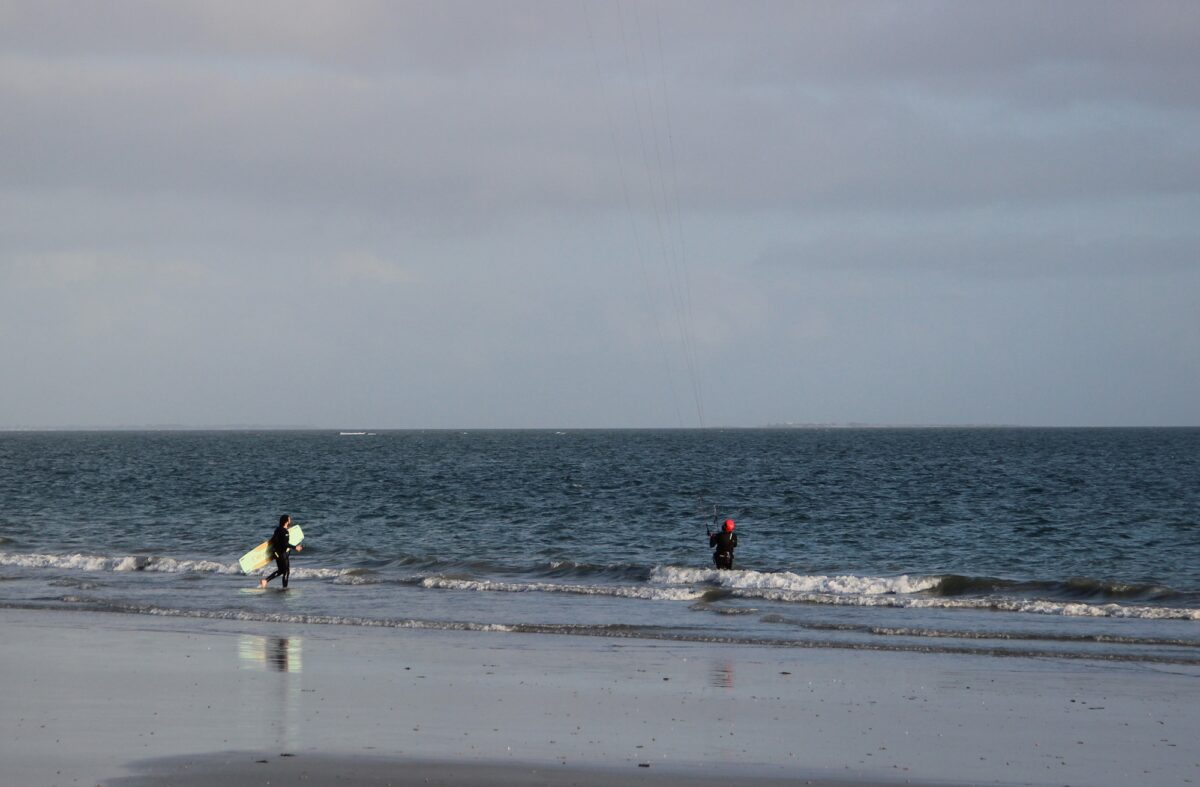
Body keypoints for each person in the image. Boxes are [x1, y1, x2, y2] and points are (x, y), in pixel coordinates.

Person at [260, 514, 302, 589]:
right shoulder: (285, 532)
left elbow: (273, 540)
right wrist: (295, 547)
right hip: (282, 554)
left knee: (281, 570)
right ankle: (284, 589)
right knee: (286, 572)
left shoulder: (277, 529)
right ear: (286, 522)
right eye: (289, 519)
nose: (290, 521)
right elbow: (285, 544)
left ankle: (265, 581)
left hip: (276, 553)